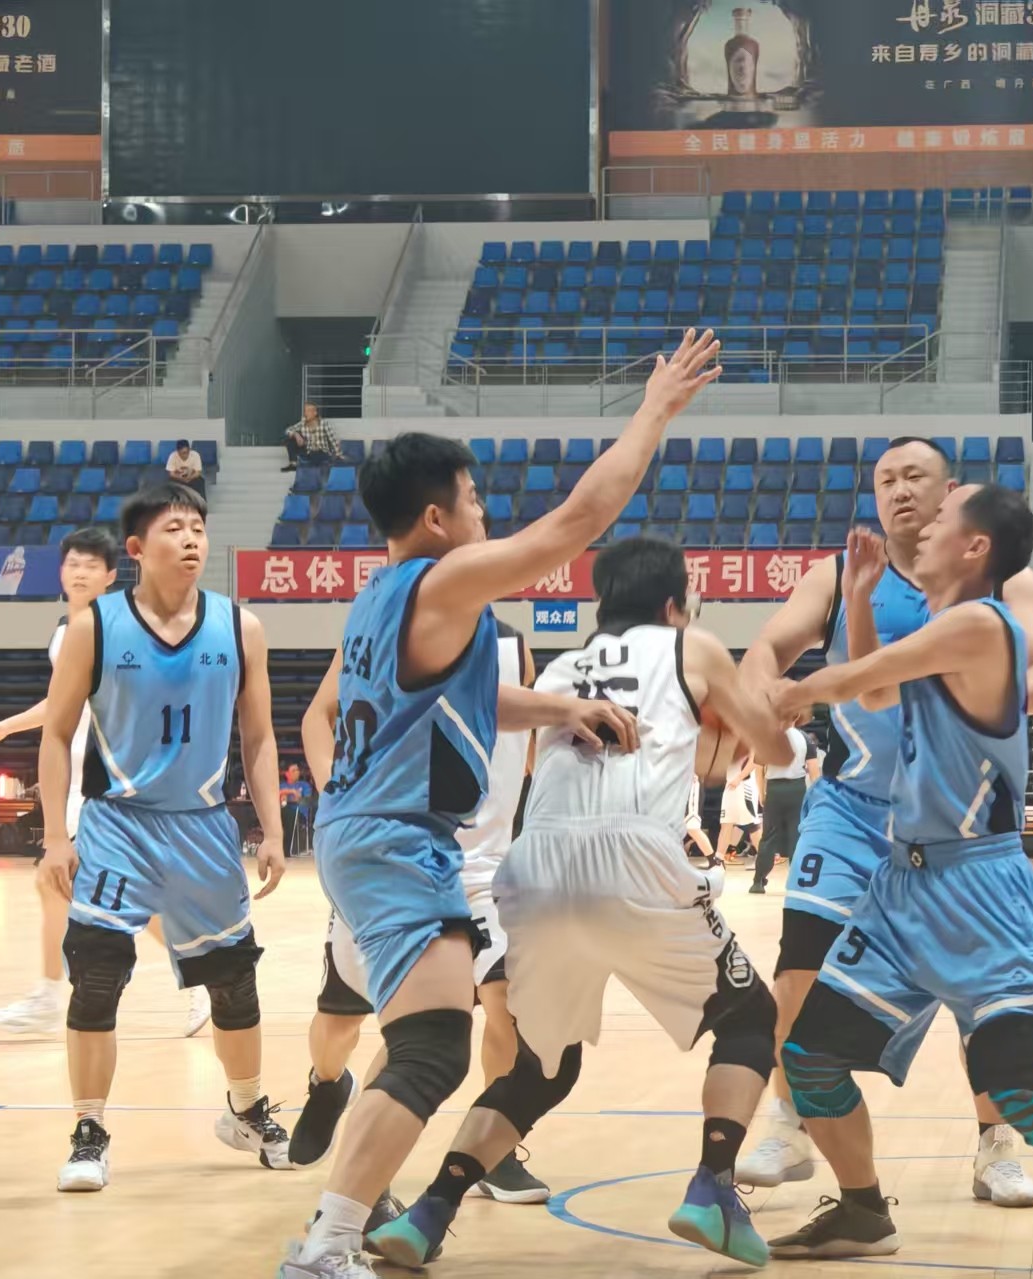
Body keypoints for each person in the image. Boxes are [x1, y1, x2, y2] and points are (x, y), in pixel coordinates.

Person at [277, 328, 721, 1279]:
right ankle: (327, 1244)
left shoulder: (388, 597)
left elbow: (471, 697)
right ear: (436, 516)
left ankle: (336, 1223)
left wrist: (562, 707)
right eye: (475, 497)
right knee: (434, 1047)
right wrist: (654, 411)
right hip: (393, 839)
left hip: (382, 836)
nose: (486, 510)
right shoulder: (443, 578)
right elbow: (575, 522)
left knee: (423, 1040)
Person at [761, 487, 1033, 1275]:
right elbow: (877, 693)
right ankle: (862, 1209)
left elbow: (862, 675)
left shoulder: (983, 624)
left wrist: (794, 691)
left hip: (982, 892)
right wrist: (858, 598)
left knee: (1015, 1089)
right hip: (903, 886)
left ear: (977, 546)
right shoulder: (938, 632)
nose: (923, 525)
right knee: (809, 1054)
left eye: (943, 516)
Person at [375, 536, 794, 1272]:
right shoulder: (692, 647)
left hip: (534, 862)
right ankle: (713, 1188)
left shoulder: (562, 668)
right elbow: (777, 753)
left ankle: (429, 1211)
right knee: (751, 1018)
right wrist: (758, 715)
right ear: (676, 602)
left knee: (542, 1065)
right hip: (632, 854)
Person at [733, 438, 1033, 1202]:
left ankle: (995, 1144)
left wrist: (967, 702)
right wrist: (759, 699)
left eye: (915, 475)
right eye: (885, 477)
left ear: (949, 491)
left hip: (950, 828)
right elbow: (769, 648)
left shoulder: (999, 580)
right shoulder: (839, 574)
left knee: (976, 995)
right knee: (798, 963)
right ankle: (789, 1121)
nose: (898, 489)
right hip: (849, 810)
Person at [35, 484, 292, 1191]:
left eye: (198, 527)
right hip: (119, 823)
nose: (191, 539)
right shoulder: (95, 626)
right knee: (96, 975)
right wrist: (56, 835)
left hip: (204, 827)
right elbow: (56, 734)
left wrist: (272, 829)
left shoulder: (241, 627)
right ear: (138, 548)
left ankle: (246, 1110)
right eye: (174, 527)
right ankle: (89, 1130)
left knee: (234, 982)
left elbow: (259, 737)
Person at [289, 618, 552, 1209]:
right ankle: (328, 1085)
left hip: (484, 867)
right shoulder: (383, 632)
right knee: (340, 1024)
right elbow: (318, 716)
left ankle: (490, 1151)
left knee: (502, 1005)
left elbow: (528, 744)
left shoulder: (512, 646)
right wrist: (336, 790)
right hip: (395, 856)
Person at [0, 528, 212, 1040]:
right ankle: (55, 994)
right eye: (73, 564)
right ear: (61, 572)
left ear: (110, 575)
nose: (80, 572)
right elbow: (60, 705)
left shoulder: (120, 631)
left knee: (78, 885)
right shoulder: (66, 633)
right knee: (59, 884)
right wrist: (7, 727)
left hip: (109, 781)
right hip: (77, 779)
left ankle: (201, 975)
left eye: (91, 565)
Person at [751, 715, 813, 893]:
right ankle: (797, 882)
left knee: (769, 836)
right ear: (797, 717)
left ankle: (758, 881)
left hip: (774, 789)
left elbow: (758, 767)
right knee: (796, 835)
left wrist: (761, 792)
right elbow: (814, 771)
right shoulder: (805, 738)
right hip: (797, 789)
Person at [283, 403, 341, 472]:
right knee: (289, 440)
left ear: (315, 413)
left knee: (315, 454)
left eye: (308, 411)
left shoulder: (324, 423)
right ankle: (293, 464)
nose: (305, 413)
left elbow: (333, 440)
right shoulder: (303, 423)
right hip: (308, 451)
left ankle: (312, 468)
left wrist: (338, 454)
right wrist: (296, 434)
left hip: (322, 452)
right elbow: (288, 430)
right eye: (305, 411)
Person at [279, 763, 314, 855]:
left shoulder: (304, 785)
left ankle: (286, 850)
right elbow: (276, 794)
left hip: (299, 814)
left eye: (298, 770)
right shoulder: (282, 785)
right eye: (294, 770)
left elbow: (306, 799)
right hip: (284, 812)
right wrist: (291, 791)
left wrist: (291, 797)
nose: (297, 772)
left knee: (287, 814)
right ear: (287, 774)